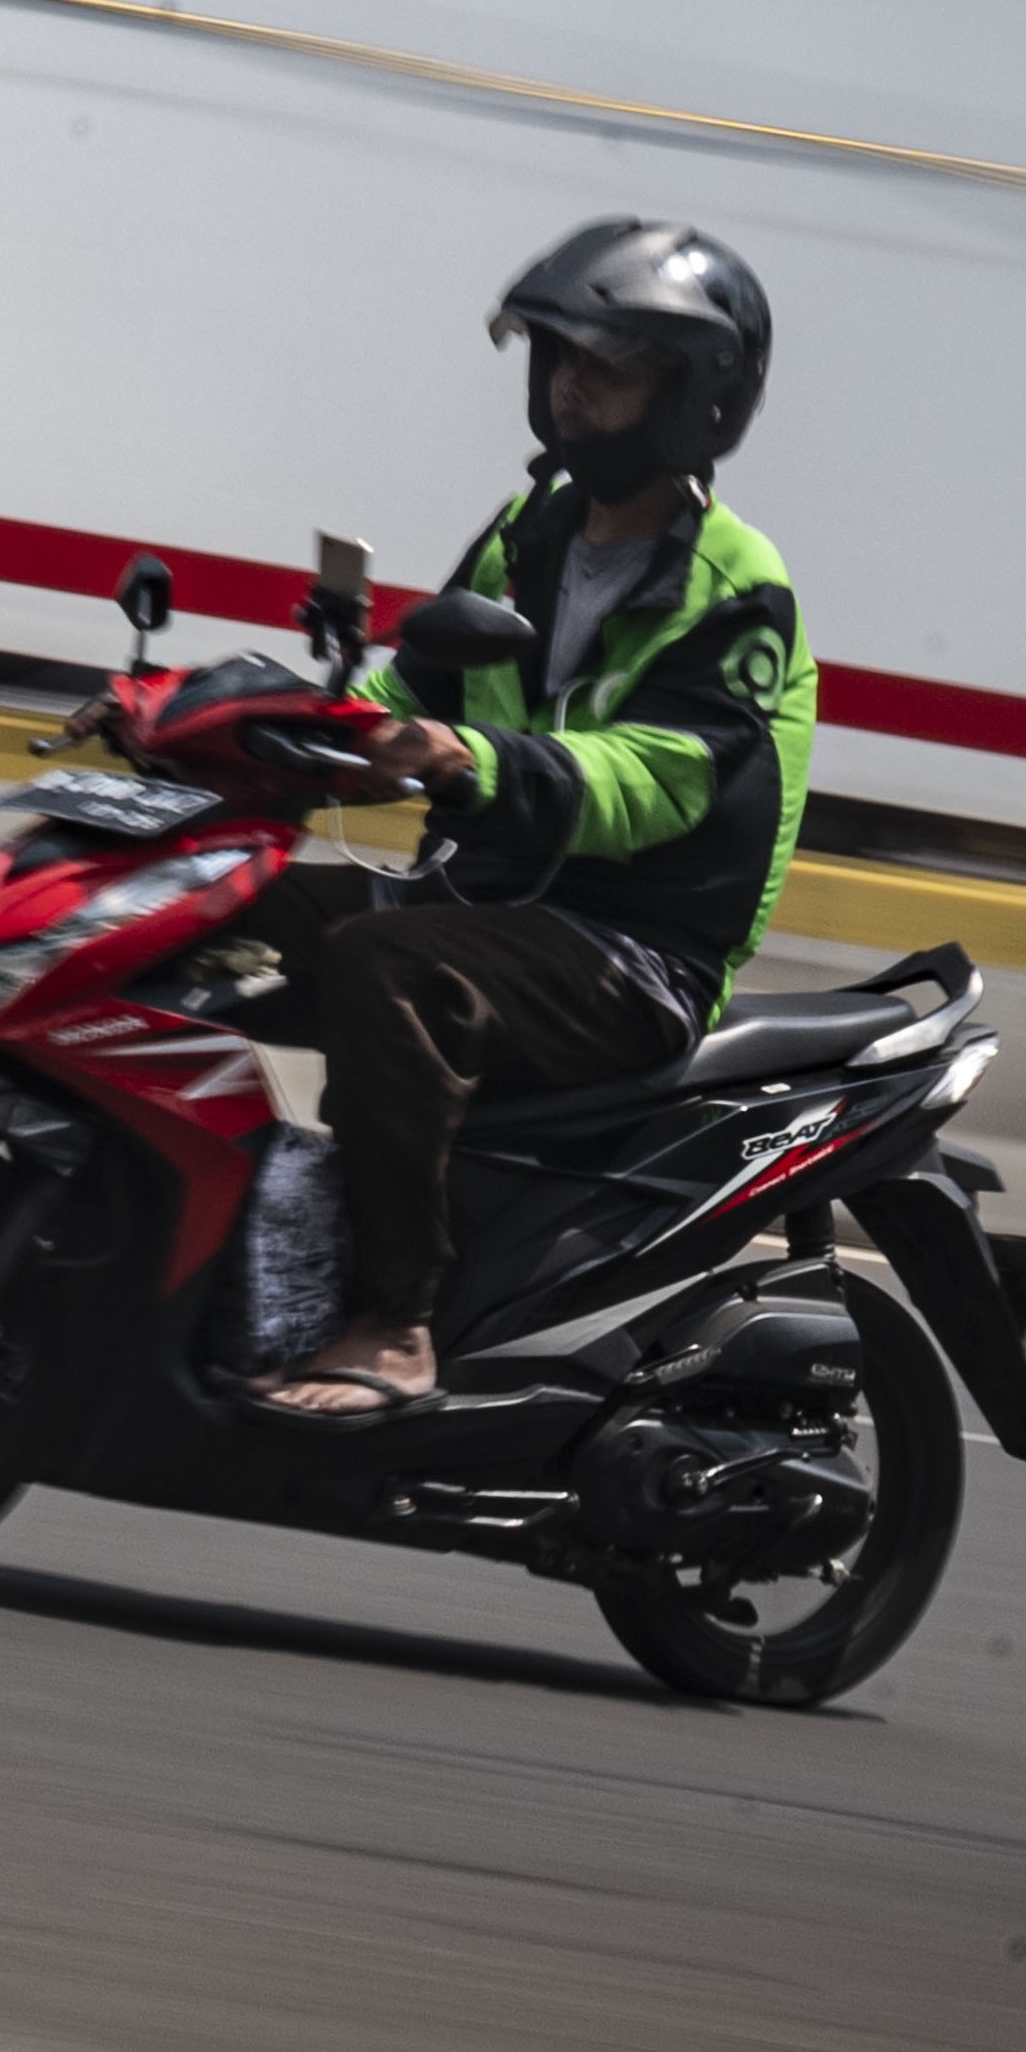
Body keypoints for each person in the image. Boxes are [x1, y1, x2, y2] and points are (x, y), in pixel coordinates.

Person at [246, 218, 815, 1420]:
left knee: (383, 967)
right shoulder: (527, 537)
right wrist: (262, 723)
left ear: (691, 397)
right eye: (558, 356)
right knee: (232, 905)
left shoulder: (733, 585)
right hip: (501, 908)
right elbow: (411, 694)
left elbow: (661, 778)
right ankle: (229, 1242)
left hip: (635, 950)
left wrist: (470, 764)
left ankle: (393, 1321)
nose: (568, 383)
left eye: (606, 365)